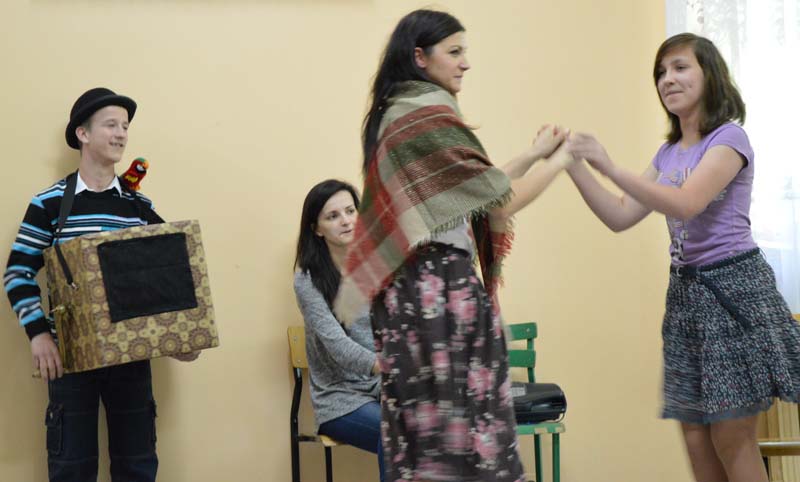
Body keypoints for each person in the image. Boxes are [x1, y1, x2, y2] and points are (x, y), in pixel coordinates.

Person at [334, 9, 574, 482]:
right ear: (420, 57)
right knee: (461, 444)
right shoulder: (423, 116)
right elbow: (500, 199)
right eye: (455, 52)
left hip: (417, 298)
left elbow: (474, 192)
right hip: (436, 296)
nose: (466, 63)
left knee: (435, 443)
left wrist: (533, 154)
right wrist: (562, 160)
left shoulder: (401, 114)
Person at [565, 33, 800, 482]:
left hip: (733, 294)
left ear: (709, 75)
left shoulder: (729, 139)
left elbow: (687, 202)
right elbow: (620, 214)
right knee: (695, 436)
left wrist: (609, 165)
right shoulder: (669, 153)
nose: (667, 79)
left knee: (732, 437)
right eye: (660, 72)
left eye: (680, 67)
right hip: (686, 298)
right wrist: (575, 165)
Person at [4, 87, 197, 482]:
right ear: (83, 133)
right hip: (70, 358)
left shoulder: (138, 207)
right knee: (71, 469)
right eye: (111, 125)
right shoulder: (49, 204)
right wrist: (39, 335)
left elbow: (171, 273)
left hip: (132, 356)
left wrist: (179, 336)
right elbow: (17, 272)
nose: (121, 134)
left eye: (125, 126)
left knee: (137, 467)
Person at [293, 179, 385, 481]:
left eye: (350, 211)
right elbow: (337, 346)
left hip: (384, 385)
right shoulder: (307, 280)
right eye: (333, 216)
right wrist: (387, 364)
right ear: (317, 229)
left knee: (440, 422)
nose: (346, 221)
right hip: (340, 398)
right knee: (397, 434)